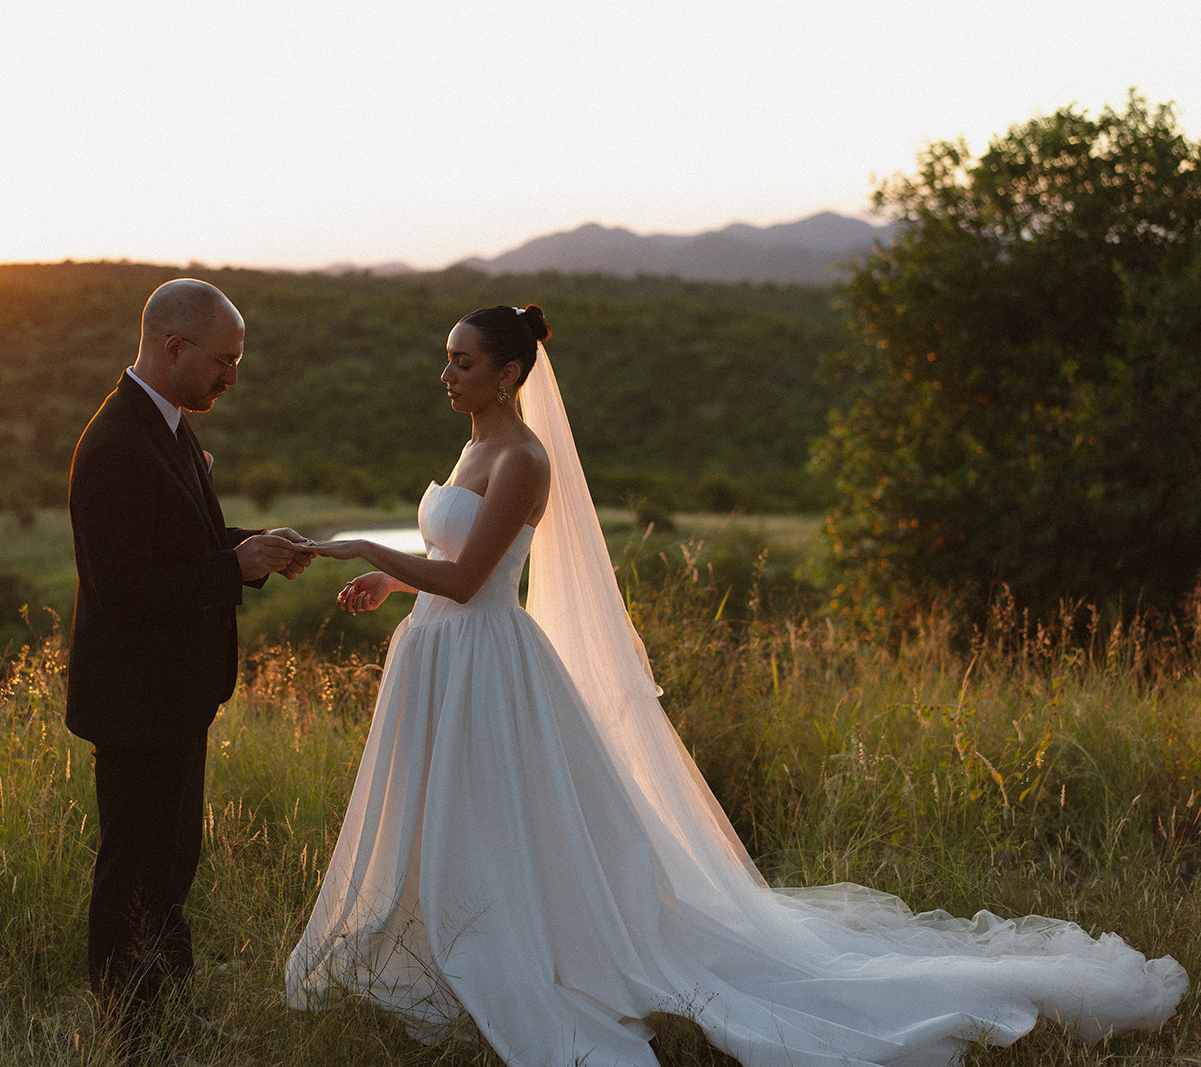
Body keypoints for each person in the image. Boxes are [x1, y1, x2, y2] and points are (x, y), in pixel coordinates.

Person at [284, 304, 1187, 1067]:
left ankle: (511, 947)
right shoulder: (474, 446)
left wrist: (361, 547)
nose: (447, 373)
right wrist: (397, 580)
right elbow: (453, 557)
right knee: (443, 812)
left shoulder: (523, 458)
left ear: (512, 372)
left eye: (465, 361)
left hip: (486, 661)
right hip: (440, 654)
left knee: (493, 818)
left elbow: (479, 579)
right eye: (447, 359)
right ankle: (433, 948)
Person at [66, 278, 314, 1048]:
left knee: (170, 869)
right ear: (173, 347)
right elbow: (128, 589)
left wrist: (256, 548)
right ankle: (127, 1032)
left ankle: (167, 1016)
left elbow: (184, 539)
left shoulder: (166, 424)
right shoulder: (114, 442)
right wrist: (230, 568)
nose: (231, 376)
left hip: (176, 696)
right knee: (134, 873)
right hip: (137, 701)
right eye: (224, 360)